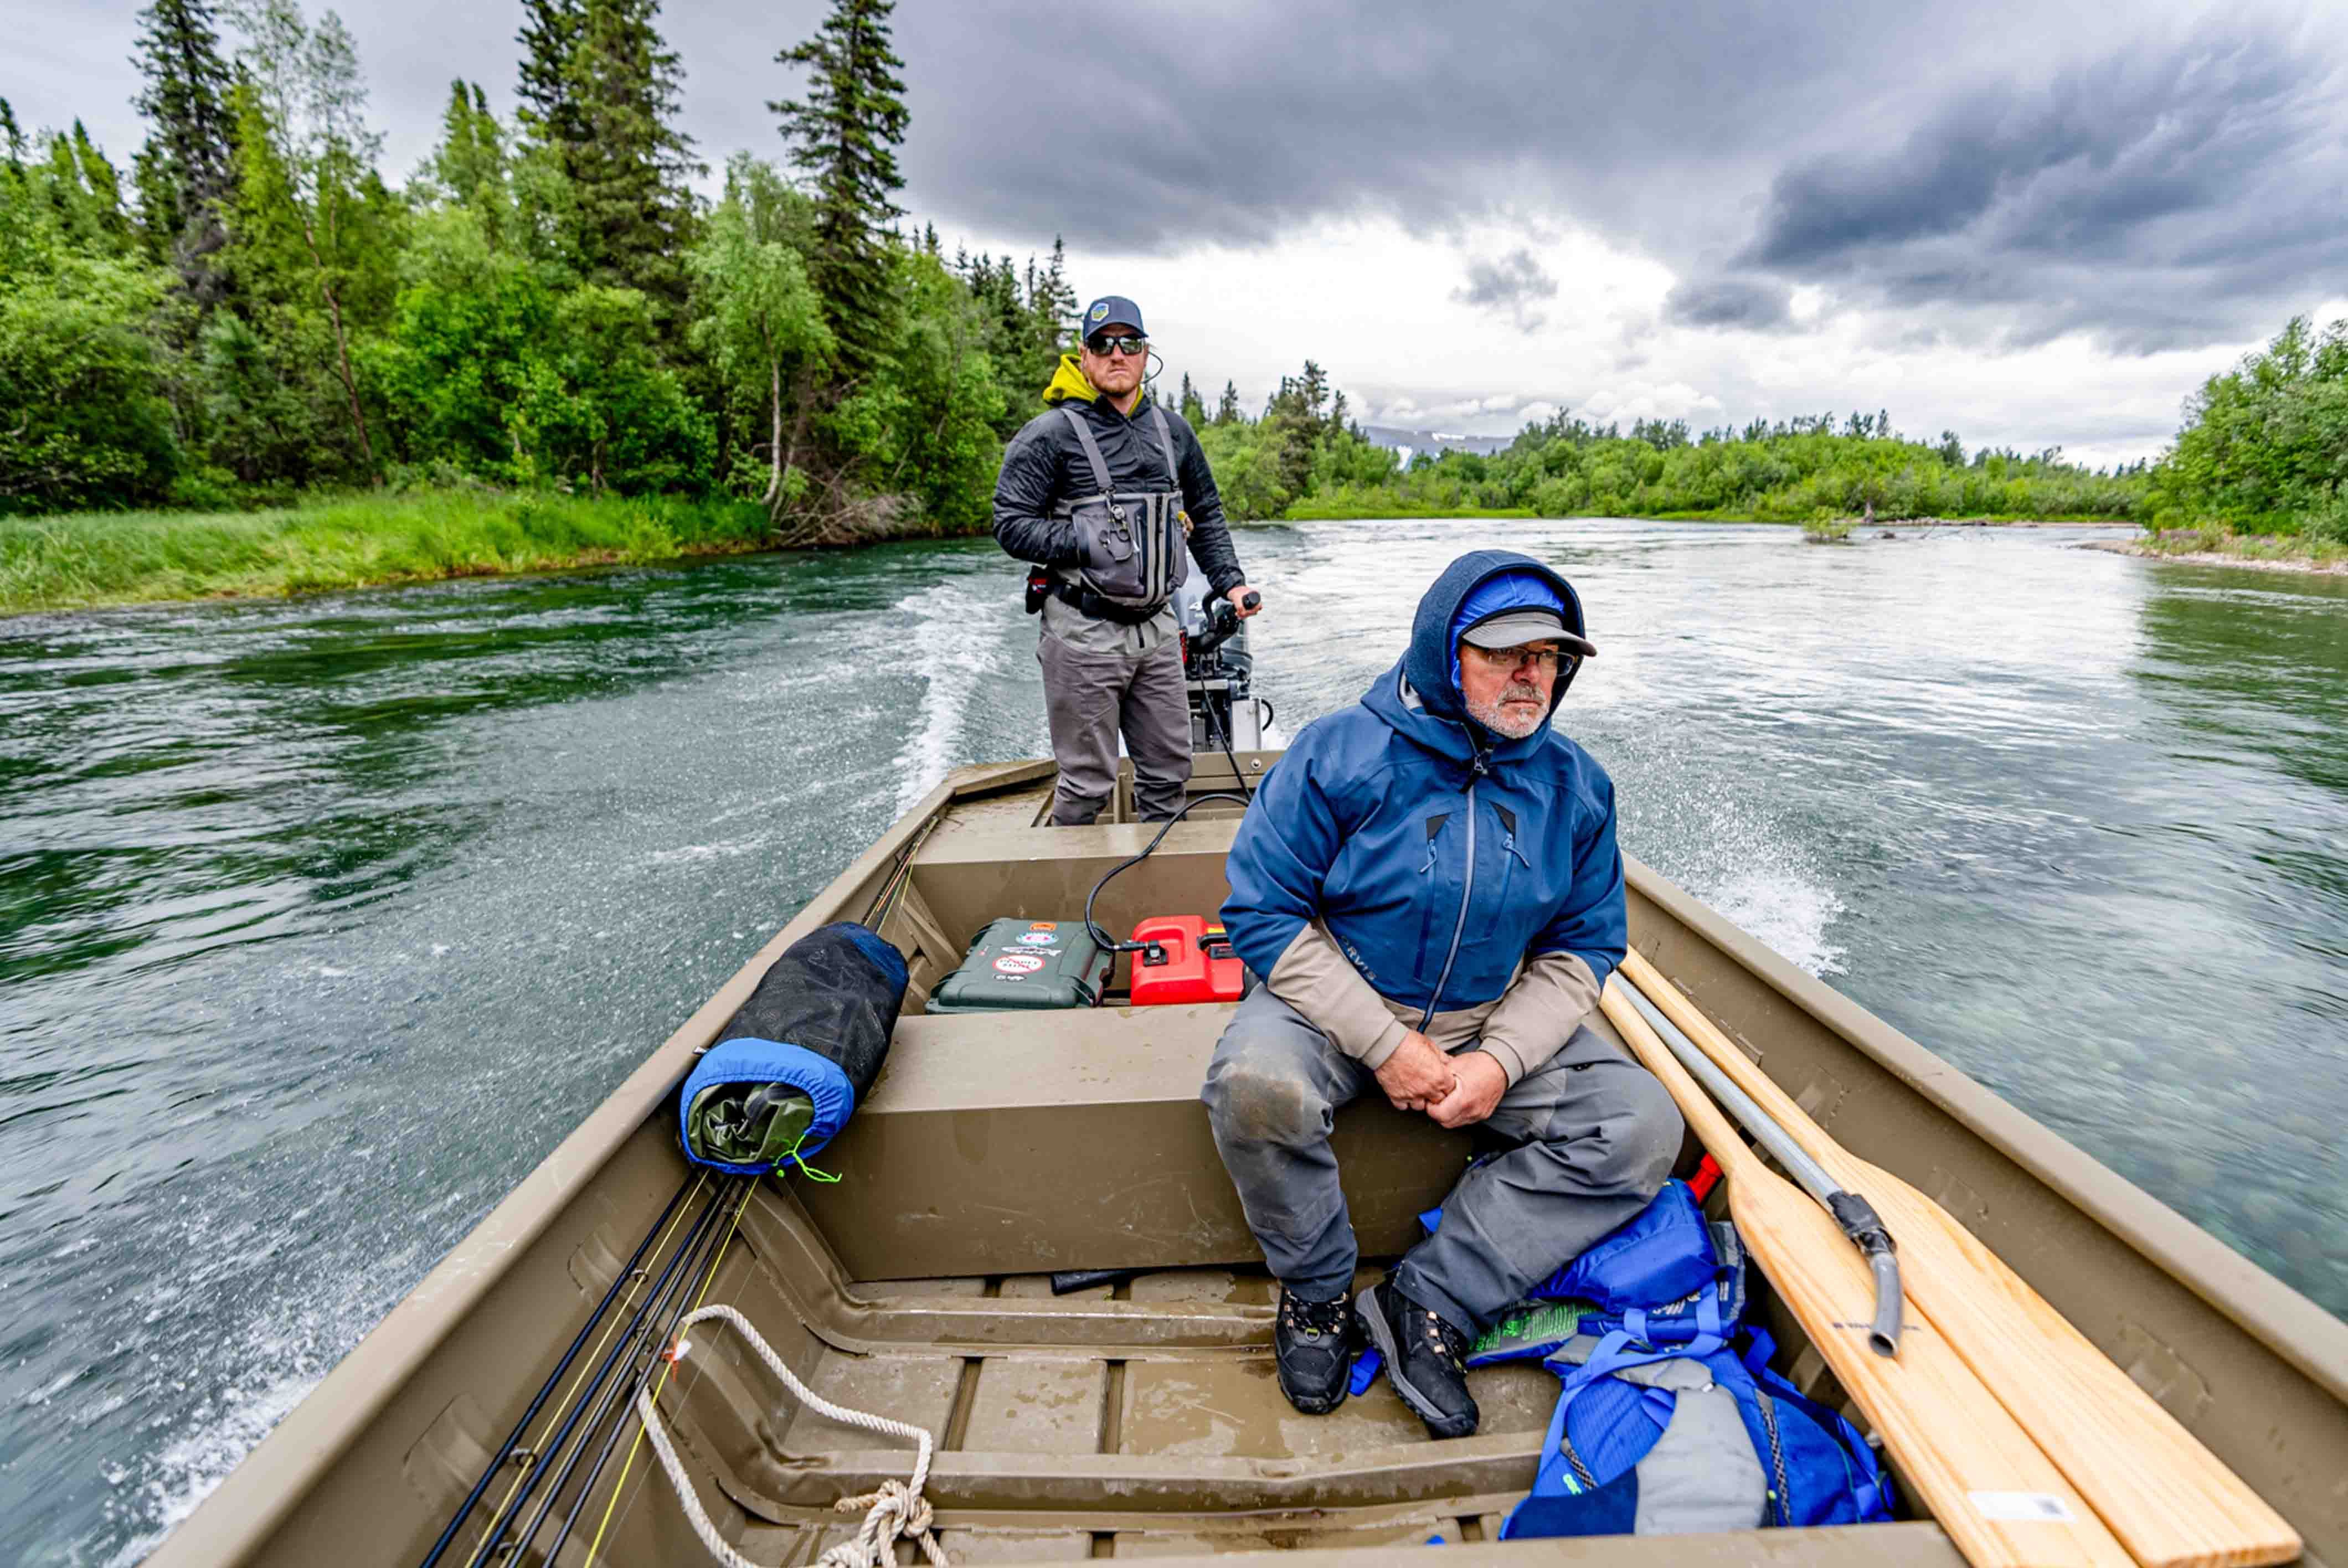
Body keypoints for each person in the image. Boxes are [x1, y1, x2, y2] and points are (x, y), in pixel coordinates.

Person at [1202, 549, 1683, 1440]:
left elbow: (1583, 946)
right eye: (1504, 654)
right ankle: (1317, 1293)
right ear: (1443, 653)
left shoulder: (1577, 788)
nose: (1530, 674)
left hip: (1488, 1010)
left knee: (1641, 1126)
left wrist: (1499, 1062)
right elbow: (1263, 912)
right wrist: (1388, 1046)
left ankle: (1430, 1297)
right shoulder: (1337, 754)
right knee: (1257, 1089)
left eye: (1547, 656)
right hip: (1332, 1003)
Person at [993, 295, 1261, 825]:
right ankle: (1071, 875)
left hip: (1158, 631)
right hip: (1082, 633)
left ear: (1145, 353)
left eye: (1129, 343)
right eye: (1103, 344)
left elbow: (1205, 513)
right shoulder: (1048, 435)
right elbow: (1010, 523)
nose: (1117, 354)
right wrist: (1084, 539)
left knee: (1170, 774)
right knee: (1088, 783)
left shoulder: (1174, 431)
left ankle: (1159, 874)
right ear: (1084, 355)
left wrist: (1231, 583)